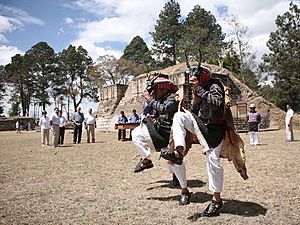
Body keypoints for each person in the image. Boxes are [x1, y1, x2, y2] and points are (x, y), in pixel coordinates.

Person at [160, 65, 226, 215]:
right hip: (201, 125)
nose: (192, 79)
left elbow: (216, 104)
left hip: (215, 129)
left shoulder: (215, 86)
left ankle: (217, 200)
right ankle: (178, 152)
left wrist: (200, 92)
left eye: (195, 76)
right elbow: (195, 113)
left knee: (213, 163)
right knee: (179, 116)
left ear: (203, 76)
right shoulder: (197, 89)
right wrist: (195, 101)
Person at [131, 74, 188, 203]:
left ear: (163, 89)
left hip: (172, 136)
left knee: (175, 163)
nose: (153, 93)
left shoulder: (173, 98)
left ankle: (184, 190)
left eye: (155, 90)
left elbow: (164, 109)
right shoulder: (159, 98)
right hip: (160, 132)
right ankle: (146, 160)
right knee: (135, 133)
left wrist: (150, 99)